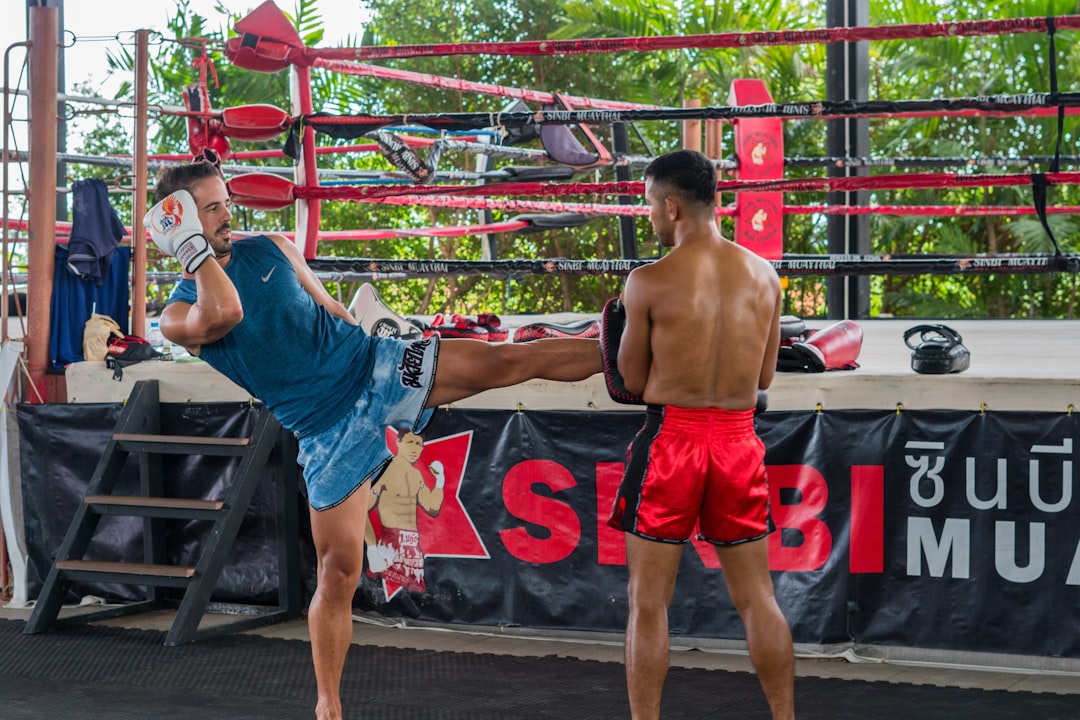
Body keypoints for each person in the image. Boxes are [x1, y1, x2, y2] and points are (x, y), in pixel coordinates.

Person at [145, 160, 602, 720]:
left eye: (224, 202)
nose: (227, 214)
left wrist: (377, 331)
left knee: (510, 358)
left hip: (376, 368)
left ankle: (628, 353)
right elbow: (227, 311)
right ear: (181, 221)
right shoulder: (176, 314)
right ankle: (328, 707)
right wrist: (192, 250)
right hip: (324, 433)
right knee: (339, 573)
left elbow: (331, 309)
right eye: (210, 207)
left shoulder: (272, 246)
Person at [608, 149, 794, 720]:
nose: (650, 217)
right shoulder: (765, 277)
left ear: (671, 205)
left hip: (672, 442)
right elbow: (764, 377)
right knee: (758, 597)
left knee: (648, 602)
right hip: (739, 441)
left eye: (649, 206)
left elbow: (631, 382)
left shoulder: (648, 282)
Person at [364, 426, 444, 593]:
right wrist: (372, 550)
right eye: (410, 442)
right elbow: (361, 511)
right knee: (387, 596)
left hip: (412, 546)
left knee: (417, 595)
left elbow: (432, 507)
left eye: (418, 444)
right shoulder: (386, 470)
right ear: (399, 443)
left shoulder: (416, 475)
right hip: (390, 544)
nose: (414, 448)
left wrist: (440, 481)